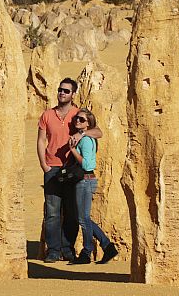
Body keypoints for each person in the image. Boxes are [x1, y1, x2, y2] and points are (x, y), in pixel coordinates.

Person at [37, 78, 102, 263]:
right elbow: (41, 140)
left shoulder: (77, 115)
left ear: (73, 94)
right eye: (60, 90)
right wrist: (44, 164)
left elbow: (98, 132)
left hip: (72, 169)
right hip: (52, 167)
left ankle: (68, 249)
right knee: (52, 211)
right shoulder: (47, 115)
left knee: (72, 212)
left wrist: (81, 132)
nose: (62, 93)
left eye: (66, 91)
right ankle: (53, 251)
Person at [68, 108, 118, 265]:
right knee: (84, 218)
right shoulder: (84, 137)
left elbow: (88, 164)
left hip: (85, 180)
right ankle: (107, 247)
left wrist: (72, 150)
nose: (78, 121)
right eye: (77, 118)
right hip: (84, 181)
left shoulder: (86, 140)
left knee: (83, 219)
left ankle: (87, 252)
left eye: (82, 120)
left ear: (88, 123)